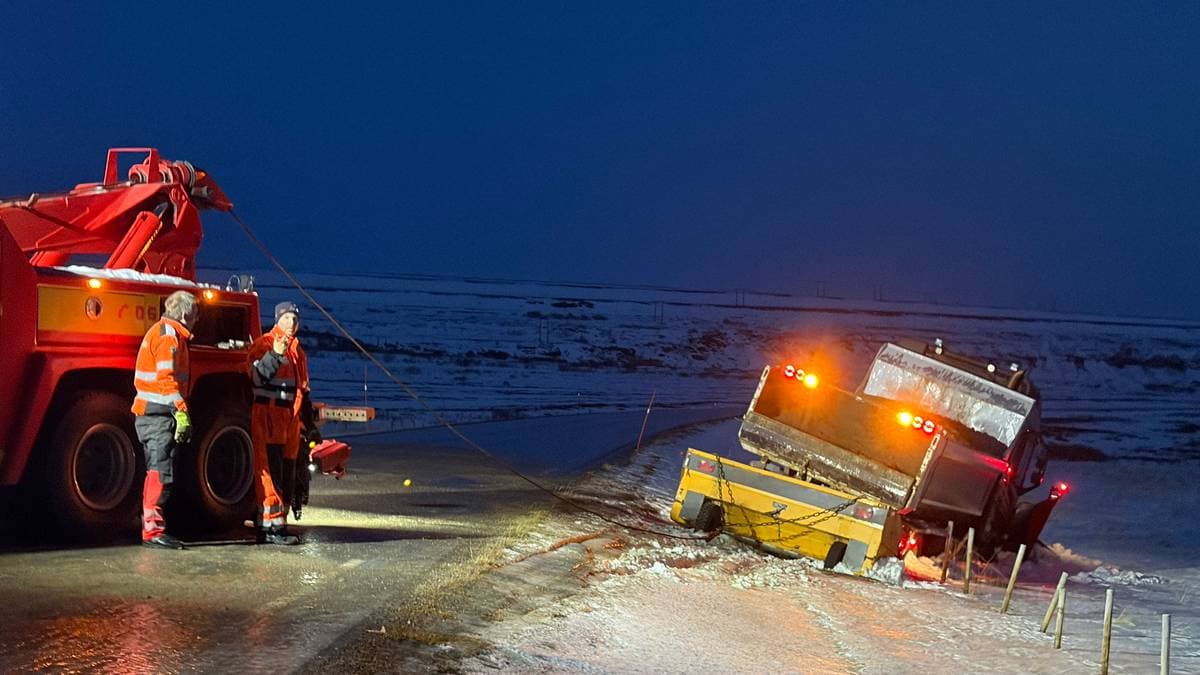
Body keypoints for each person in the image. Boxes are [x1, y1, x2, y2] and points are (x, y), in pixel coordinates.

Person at [131, 290, 198, 550]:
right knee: (160, 472)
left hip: (153, 414)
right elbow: (166, 380)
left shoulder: (163, 333)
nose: (196, 321)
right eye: (194, 316)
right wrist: (181, 410)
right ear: (183, 314)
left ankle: (153, 526)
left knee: (158, 470)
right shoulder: (169, 338)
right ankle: (153, 530)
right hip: (158, 416)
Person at [247, 301, 317, 545]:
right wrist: (275, 355)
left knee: (288, 473)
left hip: (290, 421)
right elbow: (256, 379)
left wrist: (308, 424)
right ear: (277, 319)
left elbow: (303, 390)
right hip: (268, 417)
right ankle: (269, 528)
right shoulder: (264, 344)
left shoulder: (298, 350)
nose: (292, 323)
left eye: (295, 319)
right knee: (270, 474)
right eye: (287, 318)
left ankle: (279, 523)